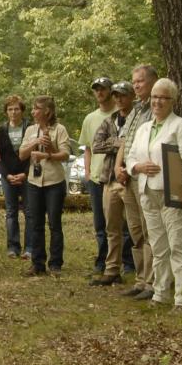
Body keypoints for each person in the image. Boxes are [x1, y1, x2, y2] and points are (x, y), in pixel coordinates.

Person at [125, 78, 182, 311]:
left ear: (172, 101)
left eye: (163, 97)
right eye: (155, 97)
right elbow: (131, 158)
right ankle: (160, 293)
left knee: (179, 246)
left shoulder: (181, 126)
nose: (158, 101)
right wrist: (138, 168)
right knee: (158, 247)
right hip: (147, 192)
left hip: (173, 194)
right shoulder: (144, 128)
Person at [113, 64, 158, 298]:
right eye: (134, 81)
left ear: (152, 81)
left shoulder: (155, 108)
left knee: (150, 229)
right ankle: (140, 280)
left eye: (140, 81)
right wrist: (118, 167)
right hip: (127, 177)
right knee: (135, 230)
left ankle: (152, 282)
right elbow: (124, 142)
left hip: (145, 178)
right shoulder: (135, 110)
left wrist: (132, 168)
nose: (136, 85)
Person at [89, 81, 139, 286]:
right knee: (112, 227)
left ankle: (143, 273)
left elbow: (138, 145)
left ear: (131, 97)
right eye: (116, 96)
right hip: (110, 179)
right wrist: (119, 143)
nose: (119, 99)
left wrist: (123, 145)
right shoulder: (110, 120)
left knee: (136, 229)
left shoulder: (138, 119)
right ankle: (112, 270)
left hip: (132, 179)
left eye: (123, 96)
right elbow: (96, 145)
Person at [18, 95, 72, 276]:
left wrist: (49, 153)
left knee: (54, 223)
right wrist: (35, 142)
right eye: (33, 108)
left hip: (54, 182)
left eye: (36, 108)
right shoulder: (30, 130)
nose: (33, 112)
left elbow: (65, 155)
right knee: (35, 222)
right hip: (34, 182)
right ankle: (37, 263)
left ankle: (55, 263)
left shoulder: (60, 129)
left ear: (47, 112)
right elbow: (22, 155)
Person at [79, 77, 117, 277]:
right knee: (100, 224)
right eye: (96, 90)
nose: (100, 92)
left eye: (103, 89)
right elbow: (87, 148)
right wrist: (87, 173)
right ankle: (101, 261)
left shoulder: (120, 114)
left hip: (115, 176)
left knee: (120, 222)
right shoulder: (90, 118)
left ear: (111, 91)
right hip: (95, 178)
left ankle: (125, 262)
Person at [0, 95, 32, 259]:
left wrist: (25, 174)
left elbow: (33, 155)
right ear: (6, 112)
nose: (14, 112)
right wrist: (7, 175)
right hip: (7, 176)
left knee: (30, 211)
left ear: (22, 111)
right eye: (10, 109)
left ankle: (29, 247)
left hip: (27, 175)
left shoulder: (30, 128)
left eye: (17, 109)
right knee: (11, 212)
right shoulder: (1, 131)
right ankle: (13, 247)